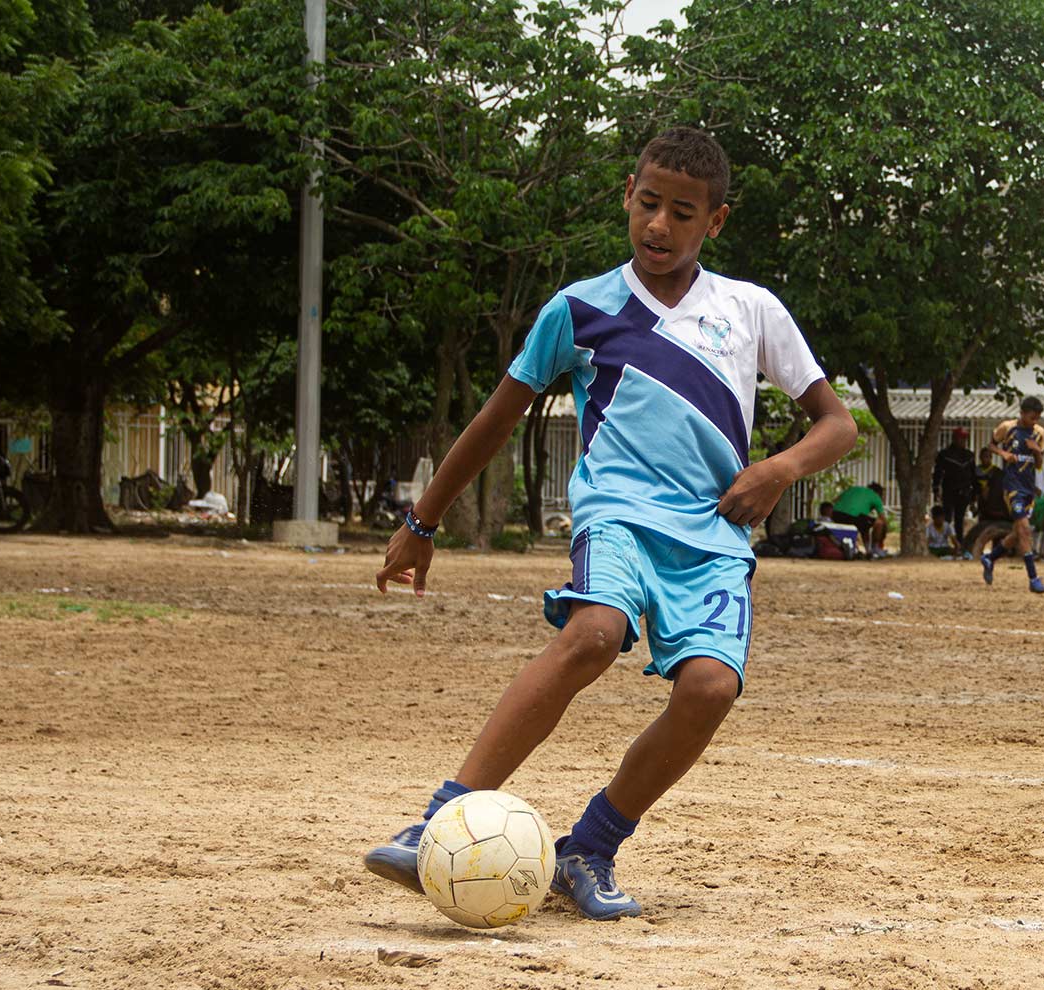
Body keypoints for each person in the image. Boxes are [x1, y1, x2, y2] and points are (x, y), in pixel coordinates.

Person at [364, 127, 857, 920]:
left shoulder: (751, 310)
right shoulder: (579, 308)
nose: (660, 225)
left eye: (683, 213)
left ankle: (588, 847)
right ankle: (437, 822)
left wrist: (778, 468)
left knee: (709, 687)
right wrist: (422, 523)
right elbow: (496, 419)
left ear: (715, 222)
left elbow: (837, 425)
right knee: (592, 634)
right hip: (618, 515)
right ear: (627, 195)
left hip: (711, 536)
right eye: (649, 204)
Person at [981, 397, 1044, 593]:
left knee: (1017, 533)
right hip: (1012, 486)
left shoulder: (1039, 433)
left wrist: (1037, 452)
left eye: (1037, 418)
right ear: (1022, 413)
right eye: (1031, 417)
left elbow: (1038, 465)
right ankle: (1033, 578)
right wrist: (1003, 455)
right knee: (1025, 530)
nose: (1034, 421)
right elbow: (991, 446)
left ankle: (990, 558)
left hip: (1028, 487)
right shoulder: (1007, 428)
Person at [932, 427, 978, 544]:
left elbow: (973, 475)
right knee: (947, 518)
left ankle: (959, 543)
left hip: (964, 492)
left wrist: (974, 495)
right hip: (949, 491)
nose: (962, 441)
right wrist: (936, 489)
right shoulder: (945, 454)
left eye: (964, 439)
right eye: (960, 438)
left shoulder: (969, 456)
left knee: (959, 519)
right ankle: (943, 542)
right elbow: (938, 472)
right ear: (954, 439)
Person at [832, 481, 889, 556]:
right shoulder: (875, 496)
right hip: (854, 517)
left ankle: (868, 550)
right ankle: (875, 548)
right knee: (879, 523)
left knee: (865, 525)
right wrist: (885, 531)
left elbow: (834, 500)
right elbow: (882, 518)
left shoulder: (853, 489)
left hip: (836, 515)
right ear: (879, 493)